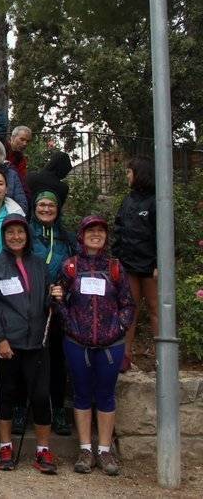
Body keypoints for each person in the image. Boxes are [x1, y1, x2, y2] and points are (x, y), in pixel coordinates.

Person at [51, 216, 134, 476]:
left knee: (106, 395)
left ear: (106, 237)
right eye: (91, 231)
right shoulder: (70, 267)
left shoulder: (115, 268)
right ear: (81, 235)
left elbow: (128, 303)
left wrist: (118, 327)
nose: (96, 235)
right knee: (82, 394)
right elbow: (57, 299)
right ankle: (85, 449)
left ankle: (105, 450)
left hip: (111, 343)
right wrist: (69, 324)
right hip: (77, 342)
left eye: (100, 231)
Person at [0, 215, 56, 473]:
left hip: (37, 341)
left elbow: (46, 303)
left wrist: (54, 298)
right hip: (7, 343)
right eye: (10, 232)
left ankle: (43, 450)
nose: (16, 237)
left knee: (40, 395)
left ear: (27, 235)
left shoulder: (39, 265)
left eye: (20, 232)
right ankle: (5, 445)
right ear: (3, 237)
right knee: (6, 393)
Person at [29, 190, 76, 435]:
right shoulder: (26, 232)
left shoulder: (67, 237)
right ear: (34, 207)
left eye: (51, 205)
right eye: (42, 205)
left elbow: (75, 268)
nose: (46, 209)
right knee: (27, 358)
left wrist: (63, 289)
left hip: (59, 306)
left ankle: (57, 409)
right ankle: (21, 406)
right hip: (29, 304)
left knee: (57, 361)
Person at [112, 157, 157, 373]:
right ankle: (126, 355)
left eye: (129, 172)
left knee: (156, 309)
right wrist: (117, 259)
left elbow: (164, 234)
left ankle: (162, 357)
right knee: (131, 310)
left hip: (151, 267)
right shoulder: (128, 200)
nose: (127, 176)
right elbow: (119, 229)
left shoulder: (157, 201)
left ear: (139, 174)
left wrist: (159, 263)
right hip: (129, 265)